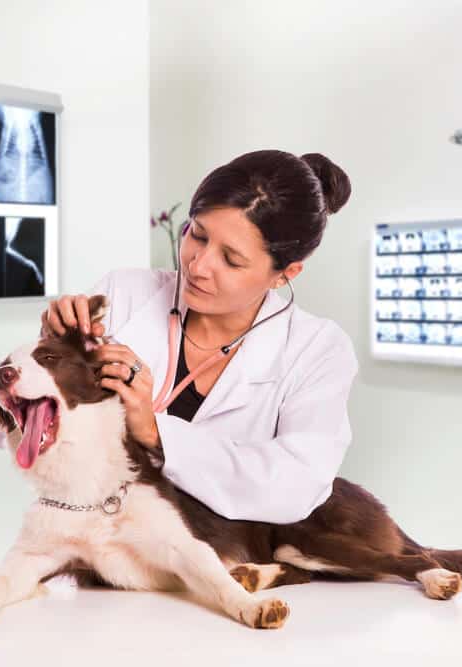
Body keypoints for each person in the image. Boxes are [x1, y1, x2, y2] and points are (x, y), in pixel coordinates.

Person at [41, 150, 358, 524]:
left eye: (232, 260)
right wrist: (50, 355)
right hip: (98, 545)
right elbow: (12, 432)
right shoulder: (122, 296)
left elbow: (296, 486)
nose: (198, 265)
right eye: (197, 234)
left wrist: (155, 433)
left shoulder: (317, 349)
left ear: (285, 273)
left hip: (226, 565)